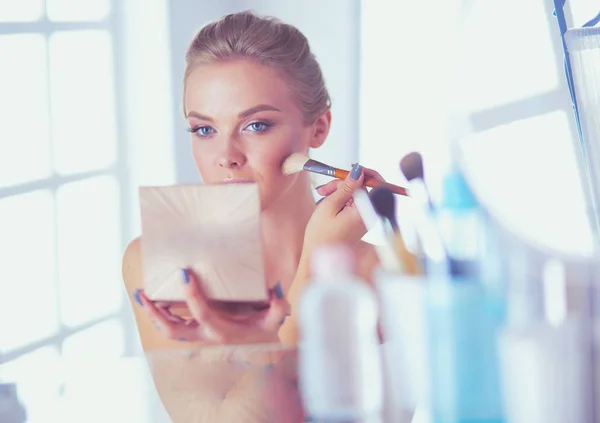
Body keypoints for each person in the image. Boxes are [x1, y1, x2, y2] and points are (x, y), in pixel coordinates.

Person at [122, 10, 382, 351]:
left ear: (318, 127)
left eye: (256, 125)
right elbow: (228, 408)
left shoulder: (383, 271)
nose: (226, 155)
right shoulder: (160, 262)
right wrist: (315, 263)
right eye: (204, 129)